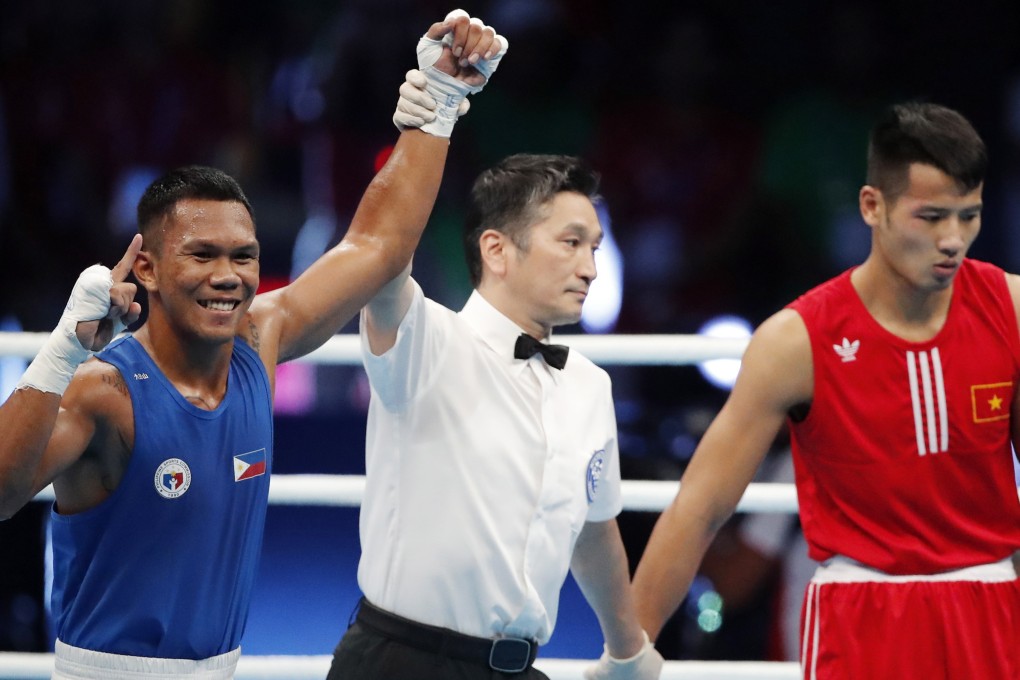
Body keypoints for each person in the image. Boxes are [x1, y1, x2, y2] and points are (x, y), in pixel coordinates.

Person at [0, 10, 507, 679]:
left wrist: (440, 103)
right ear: (145, 268)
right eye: (202, 255)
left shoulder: (257, 343)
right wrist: (64, 348)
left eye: (242, 256)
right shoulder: (105, 390)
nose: (227, 276)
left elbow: (376, 247)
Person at [632, 101, 1020, 679]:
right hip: (860, 616)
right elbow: (699, 509)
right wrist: (624, 650)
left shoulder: (1010, 309)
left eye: (969, 216)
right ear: (872, 206)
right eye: (932, 216)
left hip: (990, 609)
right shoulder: (798, 341)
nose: (953, 239)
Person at [327, 153, 664, 680]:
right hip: (400, 664)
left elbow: (594, 531)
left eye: (595, 247)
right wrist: (433, 113)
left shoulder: (590, 385)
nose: (591, 268)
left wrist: (628, 650)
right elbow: (384, 248)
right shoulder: (425, 340)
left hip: (519, 670)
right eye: (572, 242)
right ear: (497, 250)